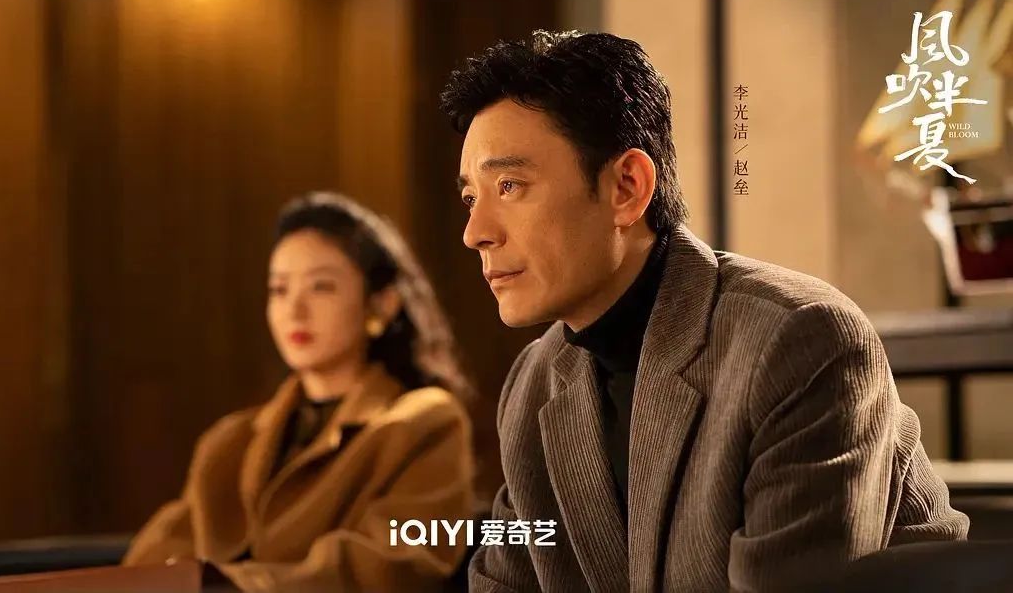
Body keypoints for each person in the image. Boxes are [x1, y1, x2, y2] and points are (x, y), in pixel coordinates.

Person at [441, 30, 969, 592]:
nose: (475, 233)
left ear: (627, 188)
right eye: (472, 198)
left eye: (510, 185)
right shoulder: (534, 384)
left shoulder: (797, 338)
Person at [123, 192, 476, 592]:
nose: (294, 310)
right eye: (279, 290)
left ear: (382, 304)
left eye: (321, 287)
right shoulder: (230, 440)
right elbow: (157, 554)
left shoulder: (422, 422)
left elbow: (391, 563)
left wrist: (234, 585)